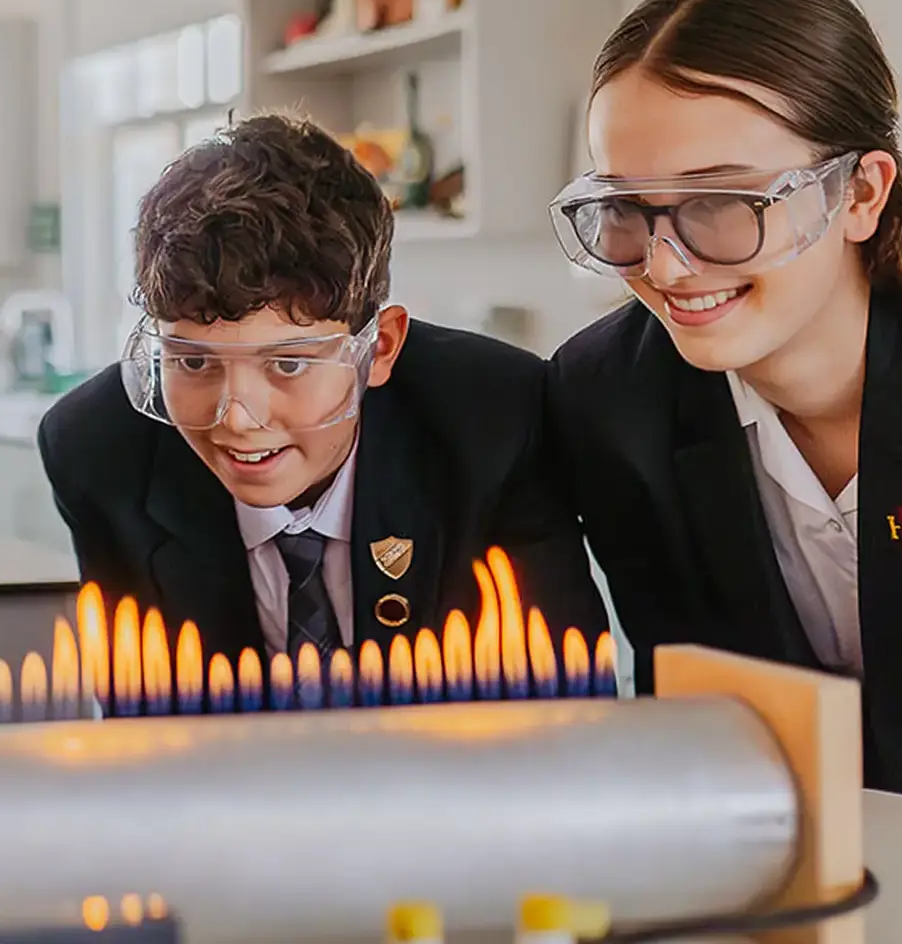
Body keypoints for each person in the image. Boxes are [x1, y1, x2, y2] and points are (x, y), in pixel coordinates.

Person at [544, 0, 902, 820]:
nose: (665, 265)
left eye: (722, 203)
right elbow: (689, 728)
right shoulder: (611, 402)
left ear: (862, 194)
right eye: (625, 209)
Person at [39, 115, 605, 676]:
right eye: (192, 361)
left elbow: (561, 713)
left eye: (288, 362)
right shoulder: (97, 451)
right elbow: (145, 725)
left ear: (379, 348)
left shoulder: (495, 421)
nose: (236, 418)